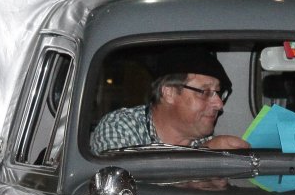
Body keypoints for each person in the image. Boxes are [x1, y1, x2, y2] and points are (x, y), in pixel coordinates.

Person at [89, 51, 250, 153]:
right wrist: (204, 156)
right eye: (205, 92)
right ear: (169, 93)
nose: (219, 104)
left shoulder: (207, 141)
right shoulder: (121, 127)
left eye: (218, 93)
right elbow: (121, 186)